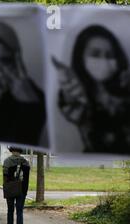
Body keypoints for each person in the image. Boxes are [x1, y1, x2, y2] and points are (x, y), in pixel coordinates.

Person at [53, 25, 130, 154]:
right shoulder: (77, 93)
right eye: (95, 54)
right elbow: (73, 109)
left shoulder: (125, 87)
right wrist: (69, 93)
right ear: (80, 58)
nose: (104, 60)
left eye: (110, 55)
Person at [2, 146, 30, 224]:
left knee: (10, 210)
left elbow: (5, 176)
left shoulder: (7, 161)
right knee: (19, 210)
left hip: (10, 188)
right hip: (22, 189)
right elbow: (27, 178)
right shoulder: (25, 162)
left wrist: (5, 187)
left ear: (11, 150)